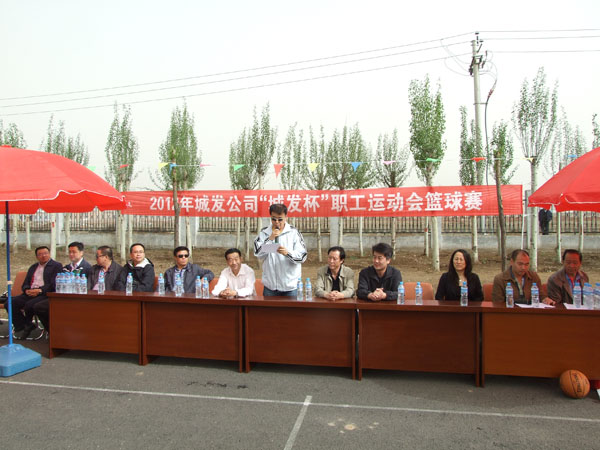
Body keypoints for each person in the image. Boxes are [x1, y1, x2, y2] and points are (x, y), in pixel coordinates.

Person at [32, 241, 94, 331]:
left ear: (81, 253)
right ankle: (52, 331)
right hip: (62, 297)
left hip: (78, 299)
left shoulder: (88, 268)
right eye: (70, 252)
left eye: (74, 252)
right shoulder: (66, 267)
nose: (71, 254)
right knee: (39, 307)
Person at [4, 246, 62, 339]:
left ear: (49, 254)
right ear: (36, 256)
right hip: (30, 293)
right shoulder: (33, 267)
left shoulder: (56, 266)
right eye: (40, 254)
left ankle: (27, 325)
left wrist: (40, 290)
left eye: (45, 253)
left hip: (44, 294)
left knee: (30, 305)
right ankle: (24, 325)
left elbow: (53, 284)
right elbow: (25, 283)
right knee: (10, 303)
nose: (43, 256)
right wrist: (27, 289)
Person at [254, 203, 307, 297]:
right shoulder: (264, 232)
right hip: (270, 287)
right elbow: (258, 253)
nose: (277, 222)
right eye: (273, 219)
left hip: (290, 287)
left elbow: (302, 256)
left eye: (280, 219)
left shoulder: (294, 233)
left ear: (286, 217)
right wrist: (270, 239)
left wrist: (288, 253)